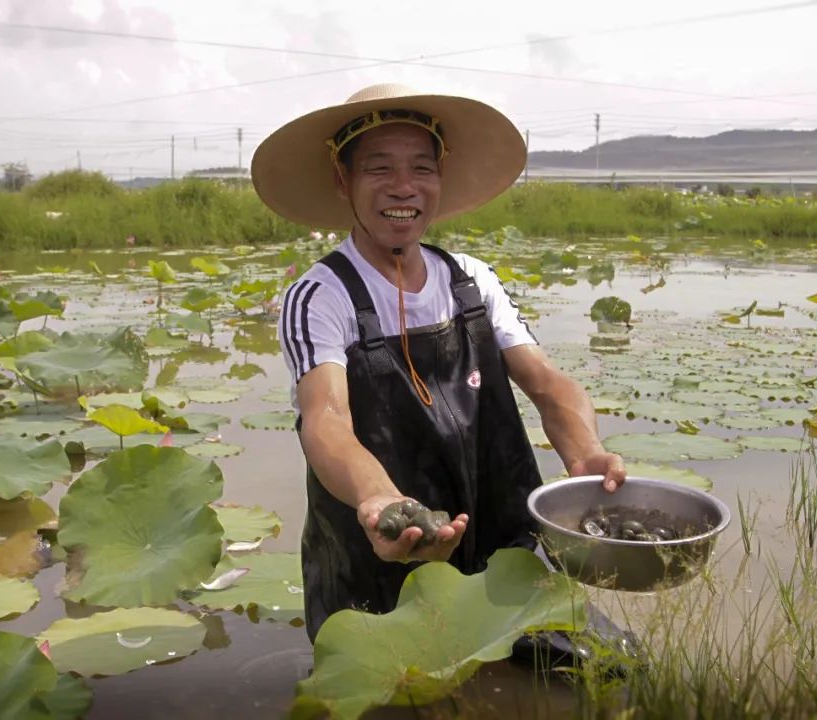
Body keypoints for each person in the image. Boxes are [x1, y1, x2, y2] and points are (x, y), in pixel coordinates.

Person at [252, 83, 628, 647]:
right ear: (342, 180)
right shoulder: (320, 294)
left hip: (501, 549)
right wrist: (380, 499)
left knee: (600, 672)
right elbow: (324, 418)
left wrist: (585, 453)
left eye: (421, 168)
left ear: (439, 180)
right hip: (376, 565)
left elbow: (548, 385)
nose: (403, 187)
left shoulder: (472, 281)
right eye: (379, 168)